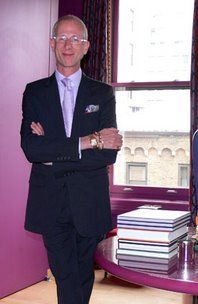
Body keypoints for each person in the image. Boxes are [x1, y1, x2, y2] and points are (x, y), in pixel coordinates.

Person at [20, 15, 122, 304]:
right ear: (52, 43)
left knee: (82, 274)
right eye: (62, 38)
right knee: (66, 275)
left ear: (86, 46)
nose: (68, 44)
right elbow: (31, 149)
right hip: (49, 202)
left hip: (90, 200)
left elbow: (108, 152)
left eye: (75, 38)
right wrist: (89, 141)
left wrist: (56, 155)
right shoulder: (35, 92)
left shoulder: (102, 94)